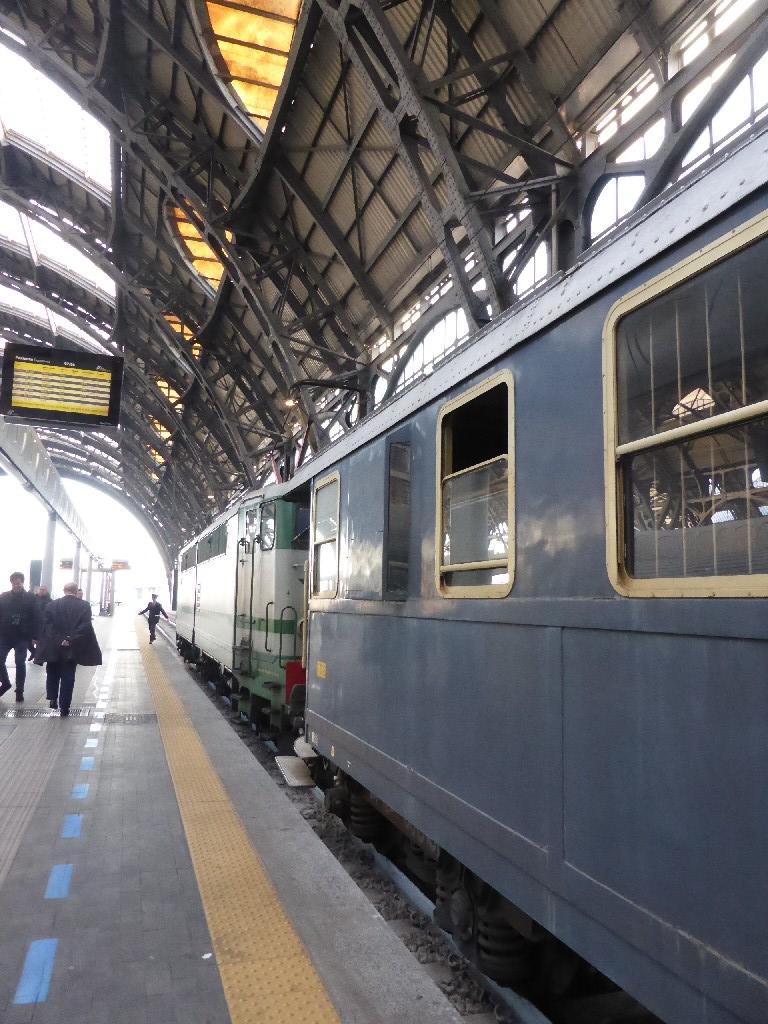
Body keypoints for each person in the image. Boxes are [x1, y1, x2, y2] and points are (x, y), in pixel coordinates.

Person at [36, 582, 102, 716]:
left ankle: (52, 697)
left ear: (64, 590)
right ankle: (64, 707)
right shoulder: (84, 605)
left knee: (52, 671)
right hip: (72, 647)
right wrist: (69, 639)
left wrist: (59, 639)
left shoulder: (51, 605)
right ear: (76, 591)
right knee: (68, 676)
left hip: (54, 646)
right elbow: (85, 626)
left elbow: (48, 626)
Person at [0, 572, 36, 701]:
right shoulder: (4, 596)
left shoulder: (30, 598)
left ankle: (19, 690)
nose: (17, 584)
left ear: (22, 582)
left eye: (19, 582)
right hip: (4, 635)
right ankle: (5, 683)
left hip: (22, 636)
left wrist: (35, 636)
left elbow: (36, 617)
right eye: (15, 582)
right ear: (11, 583)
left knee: (20, 663)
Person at [28, 585, 52, 662]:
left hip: (43, 626)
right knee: (28, 642)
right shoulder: (33, 599)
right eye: (40, 589)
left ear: (46, 591)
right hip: (32, 624)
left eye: (43, 590)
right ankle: (33, 652)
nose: (41, 591)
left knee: (40, 643)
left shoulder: (50, 601)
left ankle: (38, 659)